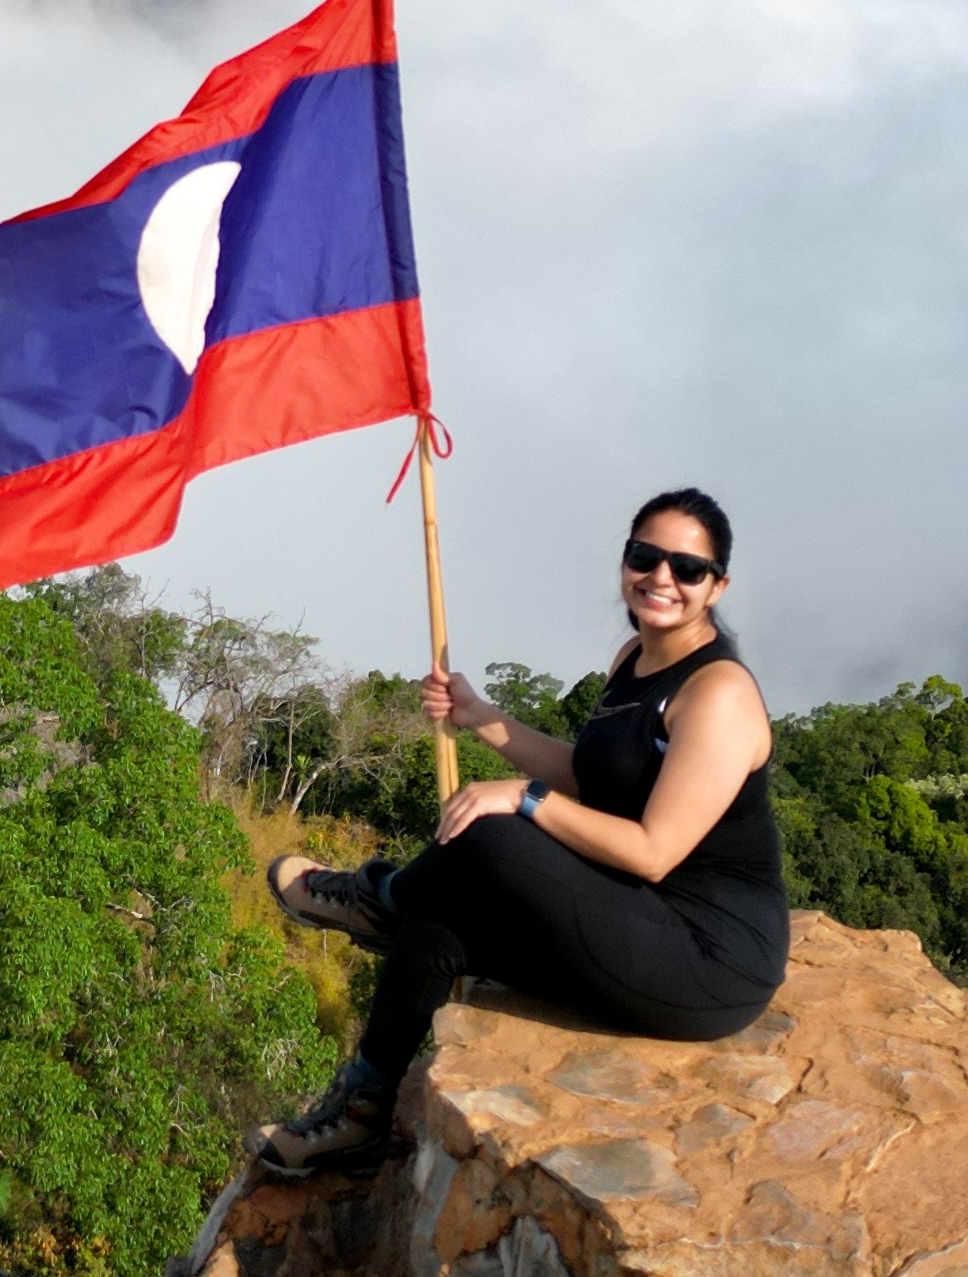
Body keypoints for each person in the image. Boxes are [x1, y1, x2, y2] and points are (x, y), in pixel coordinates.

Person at [252, 487, 789, 1177]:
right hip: (635, 914)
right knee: (441, 923)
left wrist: (523, 797)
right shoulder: (636, 658)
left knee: (491, 831)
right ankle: (362, 1113)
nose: (661, 577)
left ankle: (377, 900)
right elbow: (590, 780)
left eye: (687, 568)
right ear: (625, 560)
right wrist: (480, 716)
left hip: (708, 960)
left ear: (717, 586)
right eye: (645, 557)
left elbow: (654, 852)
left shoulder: (717, 694)